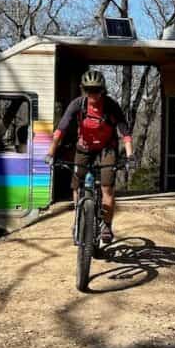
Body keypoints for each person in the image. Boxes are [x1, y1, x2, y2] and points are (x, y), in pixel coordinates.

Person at [45, 70, 134, 244]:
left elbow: (125, 132)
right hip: (84, 146)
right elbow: (60, 130)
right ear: (83, 90)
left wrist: (130, 155)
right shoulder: (78, 104)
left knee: (107, 187)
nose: (92, 94)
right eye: (88, 90)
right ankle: (78, 218)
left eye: (96, 90)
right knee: (77, 184)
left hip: (107, 148)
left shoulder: (110, 106)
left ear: (103, 90)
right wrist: (50, 152)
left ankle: (107, 226)